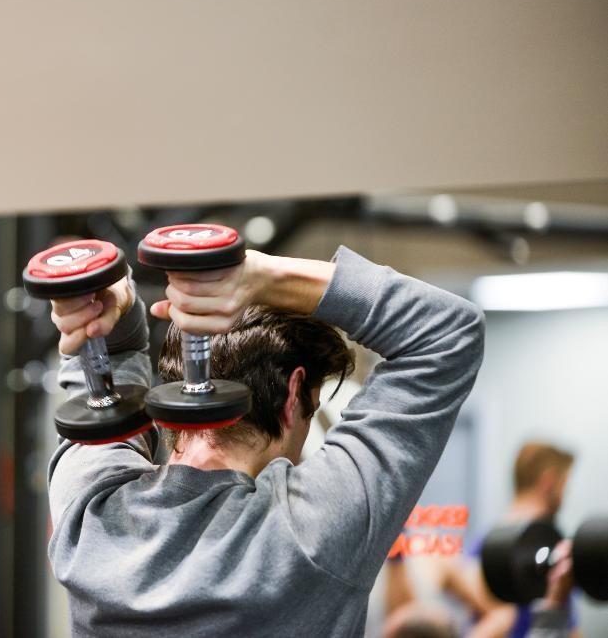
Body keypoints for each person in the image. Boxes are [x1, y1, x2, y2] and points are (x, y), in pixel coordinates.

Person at [46, 245, 485, 635]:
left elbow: (101, 398)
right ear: (295, 394)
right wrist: (264, 275)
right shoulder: (312, 531)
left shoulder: (89, 520)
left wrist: (106, 316)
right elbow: (447, 330)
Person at [465, 442, 577, 637]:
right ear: (548, 483)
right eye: (564, 487)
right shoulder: (554, 551)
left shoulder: (476, 548)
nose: (564, 496)